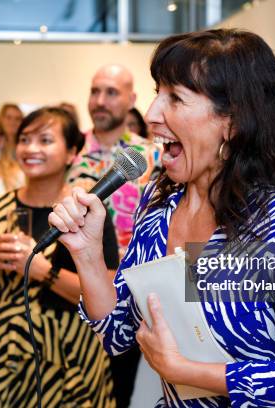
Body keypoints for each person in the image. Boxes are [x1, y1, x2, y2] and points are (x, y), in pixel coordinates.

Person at [49, 29, 275, 407]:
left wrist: (184, 371)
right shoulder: (158, 204)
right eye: (157, 93)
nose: (152, 114)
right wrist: (88, 252)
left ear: (233, 121)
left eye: (175, 98)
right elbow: (117, 333)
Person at [0, 107, 118, 407]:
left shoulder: (86, 210)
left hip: (73, 351)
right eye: (24, 139)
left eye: (45, 140)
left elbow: (110, 295)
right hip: (6, 347)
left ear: (71, 152)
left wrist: (43, 271)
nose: (31, 149)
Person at [66, 63, 161, 407]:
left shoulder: (151, 156)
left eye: (111, 92)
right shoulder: (68, 152)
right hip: (72, 295)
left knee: (118, 395)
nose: (100, 101)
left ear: (132, 99)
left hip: (130, 300)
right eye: (95, 91)